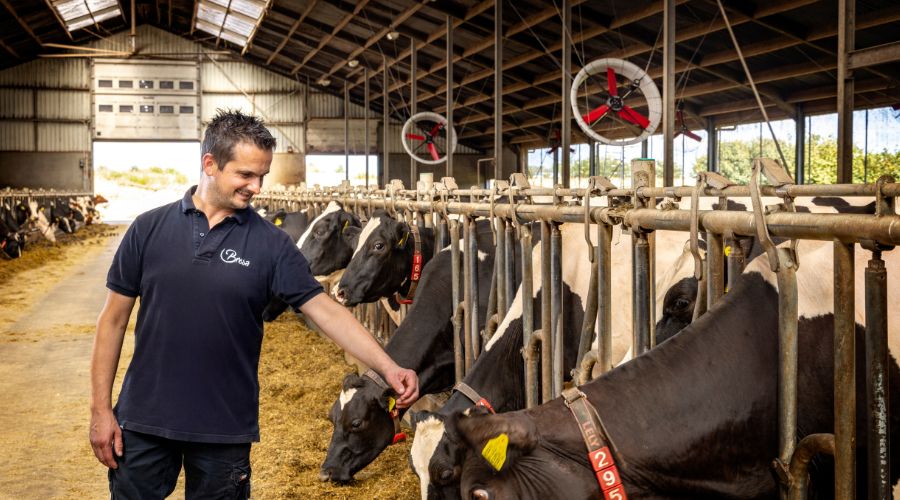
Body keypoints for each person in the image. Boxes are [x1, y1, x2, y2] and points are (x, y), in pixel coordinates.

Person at [89, 109, 419, 499]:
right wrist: (100, 410)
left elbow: (326, 311)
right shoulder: (148, 229)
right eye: (245, 175)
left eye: (262, 175)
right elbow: (112, 321)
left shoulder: (271, 243)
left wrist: (387, 366)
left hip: (224, 428)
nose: (256, 187)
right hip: (144, 419)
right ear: (210, 164)